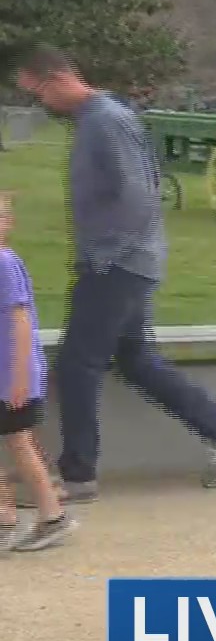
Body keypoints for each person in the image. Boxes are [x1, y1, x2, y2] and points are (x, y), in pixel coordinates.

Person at [10, 45, 216, 498]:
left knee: (76, 364)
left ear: (55, 79)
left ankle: (78, 476)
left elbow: (140, 194)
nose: (40, 104)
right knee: (135, 358)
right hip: (127, 262)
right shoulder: (98, 119)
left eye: (37, 92)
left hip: (117, 264)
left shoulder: (105, 121)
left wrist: (107, 256)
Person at [0, 193, 74, 550]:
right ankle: (8, 517)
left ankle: (50, 514)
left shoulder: (3, 263)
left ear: (7, 225)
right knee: (18, 444)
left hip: (10, 381)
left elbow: (21, 322)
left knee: (19, 443)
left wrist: (17, 379)